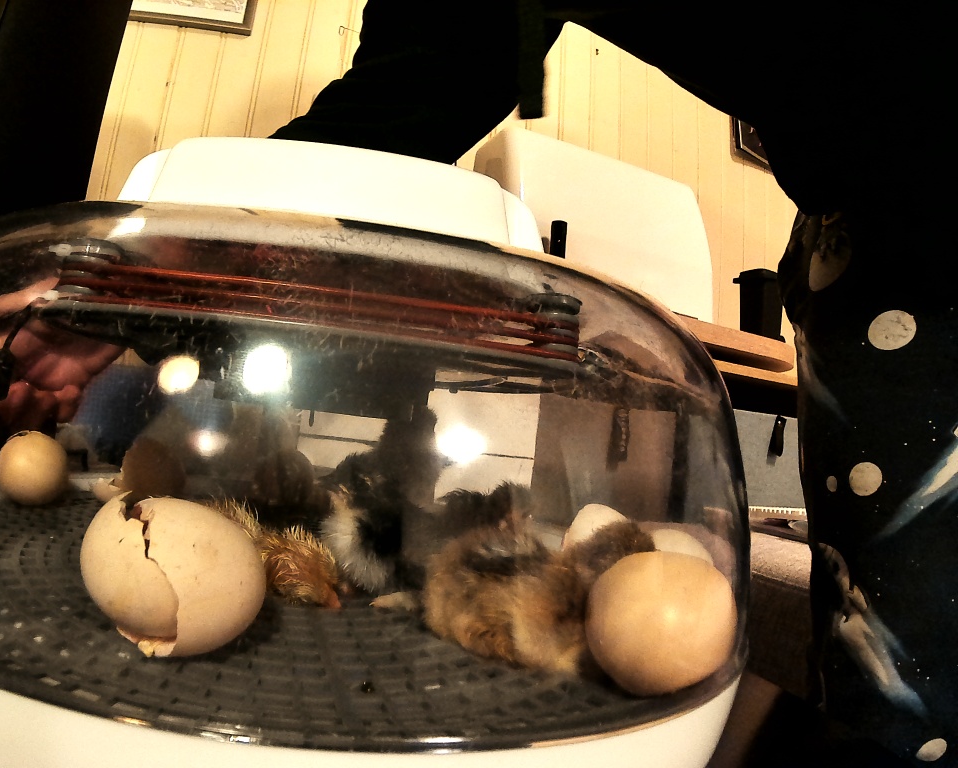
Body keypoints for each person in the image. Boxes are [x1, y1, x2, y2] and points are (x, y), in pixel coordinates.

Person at [270, 2, 955, 766]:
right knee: (902, 679)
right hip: (884, 235)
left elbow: (446, 57)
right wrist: (258, 210)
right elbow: (445, 58)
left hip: (916, 204)